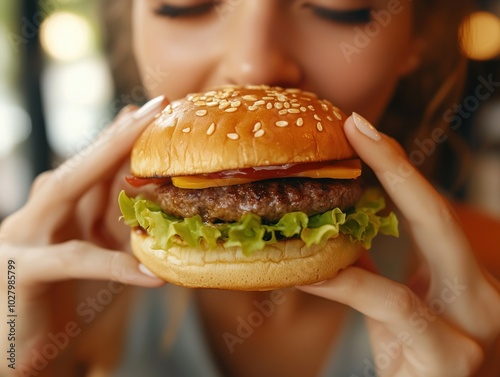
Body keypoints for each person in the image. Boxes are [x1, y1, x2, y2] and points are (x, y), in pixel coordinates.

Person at [1, 0, 500, 376]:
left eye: (337, 6)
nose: (253, 65)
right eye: (187, 2)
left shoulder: (487, 272)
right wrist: (10, 353)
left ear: (419, 38)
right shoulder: (67, 269)